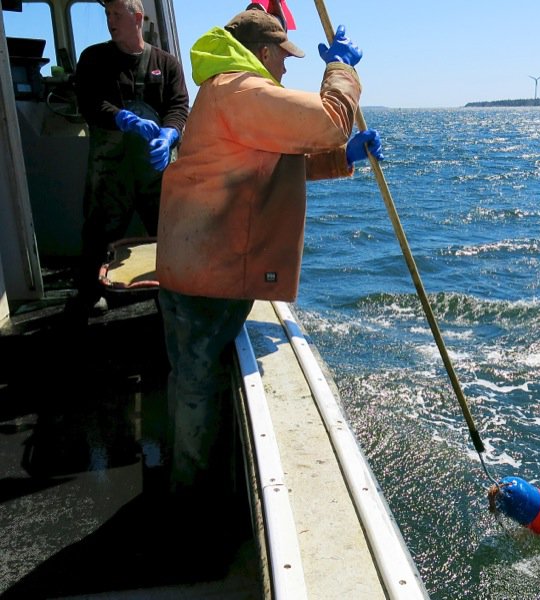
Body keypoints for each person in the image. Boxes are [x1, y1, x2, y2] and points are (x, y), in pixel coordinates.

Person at [155, 6, 384, 500]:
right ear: (262, 53)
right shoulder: (241, 90)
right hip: (207, 276)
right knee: (196, 388)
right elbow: (328, 121)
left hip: (196, 269)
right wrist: (341, 70)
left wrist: (343, 158)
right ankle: (186, 505)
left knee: (192, 379)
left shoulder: (226, 94)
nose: (285, 67)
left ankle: (188, 486)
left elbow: (269, 169)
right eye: (282, 57)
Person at [71, 0, 189, 318]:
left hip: (155, 167)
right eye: (107, 14)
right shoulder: (93, 59)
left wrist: (169, 136)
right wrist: (123, 118)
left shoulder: (167, 64)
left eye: (116, 14)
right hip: (111, 168)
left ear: (137, 17)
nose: (110, 20)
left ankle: (174, 290)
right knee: (99, 231)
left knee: (169, 230)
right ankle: (89, 293)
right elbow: (89, 102)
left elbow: (179, 106)